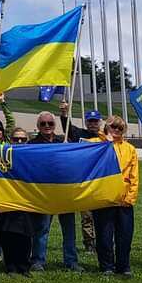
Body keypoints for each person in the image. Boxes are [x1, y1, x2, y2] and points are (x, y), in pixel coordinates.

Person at [28, 111, 82, 273]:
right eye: (43, 124)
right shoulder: (31, 145)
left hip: (65, 192)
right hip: (44, 194)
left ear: (55, 125)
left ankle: (71, 261)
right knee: (42, 229)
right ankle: (38, 260)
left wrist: (69, 148)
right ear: (38, 126)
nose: (47, 126)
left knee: (69, 229)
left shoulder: (64, 141)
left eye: (50, 123)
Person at [85, 116, 138, 277]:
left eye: (120, 128)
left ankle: (123, 265)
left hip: (123, 199)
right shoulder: (94, 143)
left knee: (125, 235)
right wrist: (106, 144)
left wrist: (130, 198)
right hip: (103, 198)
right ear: (107, 127)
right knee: (104, 235)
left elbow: (134, 176)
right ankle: (106, 265)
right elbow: (87, 162)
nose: (116, 130)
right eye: (113, 127)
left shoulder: (130, 149)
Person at [0, 127, 36, 276]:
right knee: (7, 232)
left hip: (26, 200)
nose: (20, 141)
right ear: (10, 140)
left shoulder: (32, 156)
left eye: (23, 139)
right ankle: (10, 266)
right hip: (7, 198)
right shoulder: (2, 154)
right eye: (16, 139)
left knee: (25, 234)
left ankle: (24, 266)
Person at [60, 101, 100, 254]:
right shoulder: (80, 135)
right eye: (90, 121)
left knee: (101, 215)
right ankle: (89, 243)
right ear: (86, 122)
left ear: (99, 122)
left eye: (95, 121)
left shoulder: (105, 137)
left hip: (99, 180)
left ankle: (102, 241)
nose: (92, 124)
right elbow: (67, 128)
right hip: (83, 180)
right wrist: (64, 114)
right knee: (87, 215)